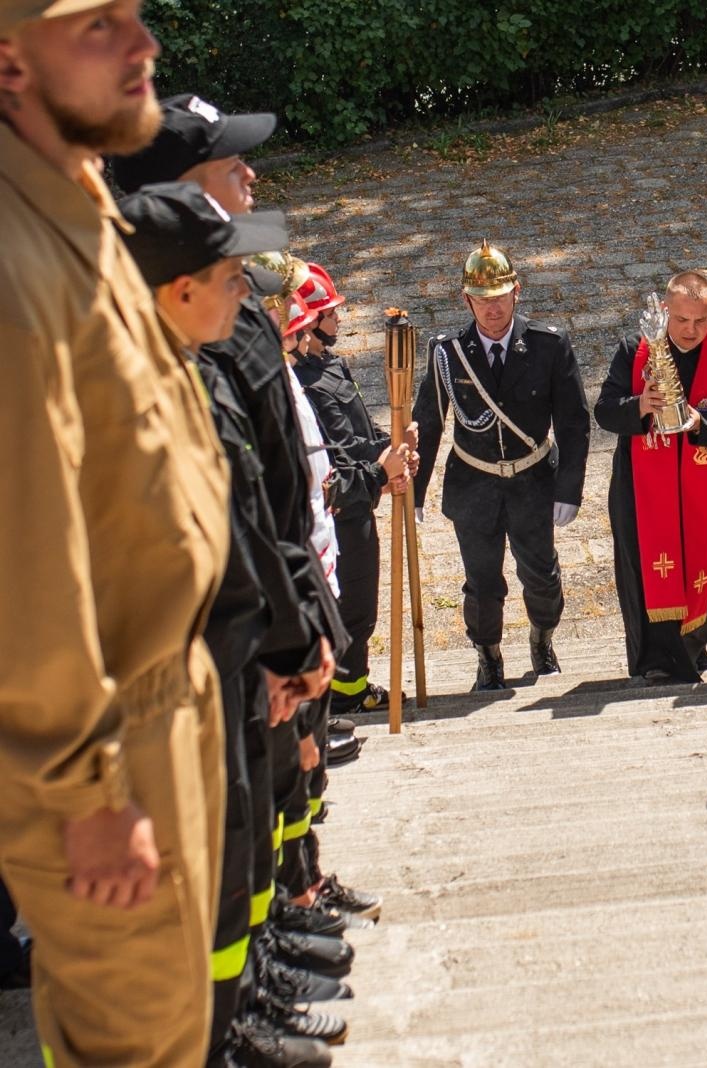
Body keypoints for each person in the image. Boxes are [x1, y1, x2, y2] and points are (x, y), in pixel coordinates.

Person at [0, 4, 231, 1064]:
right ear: (10, 61)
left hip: (164, 702)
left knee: (172, 1036)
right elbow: (24, 563)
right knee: (131, 1048)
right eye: (100, 27)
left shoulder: (78, 195)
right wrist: (86, 794)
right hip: (95, 755)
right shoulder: (13, 267)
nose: (143, 46)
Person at [118, 184, 348, 1063]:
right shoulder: (150, 387)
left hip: (238, 650)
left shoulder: (195, 364)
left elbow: (262, 507)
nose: (249, 298)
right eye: (231, 279)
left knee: (240, 845)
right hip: (182, 677)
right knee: (204, 871)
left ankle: (243, 1001)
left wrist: (291, 632)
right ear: (179, 288)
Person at [413, 240, 592, 691]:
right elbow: (428, 423)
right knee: (480, 583)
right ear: (465, 299)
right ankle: (487, 655)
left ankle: (542, 639)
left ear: (517, 293)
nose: (491, 310)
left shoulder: (549, 346)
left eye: (499, 298)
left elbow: (573, 422)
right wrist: (413, 492)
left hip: (532, 481)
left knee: (542, 577)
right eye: (481, 300)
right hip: (473, 486)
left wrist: (569, 489)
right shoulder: (447, 353)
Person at [596, 271, 707, 683]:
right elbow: (605, 410)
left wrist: (705, 424)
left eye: (700, 321)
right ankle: (654, 658)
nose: (690, 330)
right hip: (642, 486)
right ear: (665, 311)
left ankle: (695, 646)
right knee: (644, 566)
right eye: (681, 320)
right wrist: (640, 406)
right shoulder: (635, 349)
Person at [293, 261, 415, 721]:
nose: (339, 319)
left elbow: (355, 437)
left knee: (361, 611)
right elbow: (328, 468)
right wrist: (379, 474)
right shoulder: (301, 385)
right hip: (339, 517)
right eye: (330, 313)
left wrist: (392, 444)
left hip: (359, 509)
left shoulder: (331, 366)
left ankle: (353, 688)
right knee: (345, 613)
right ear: (309, 321)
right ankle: (338, 699)